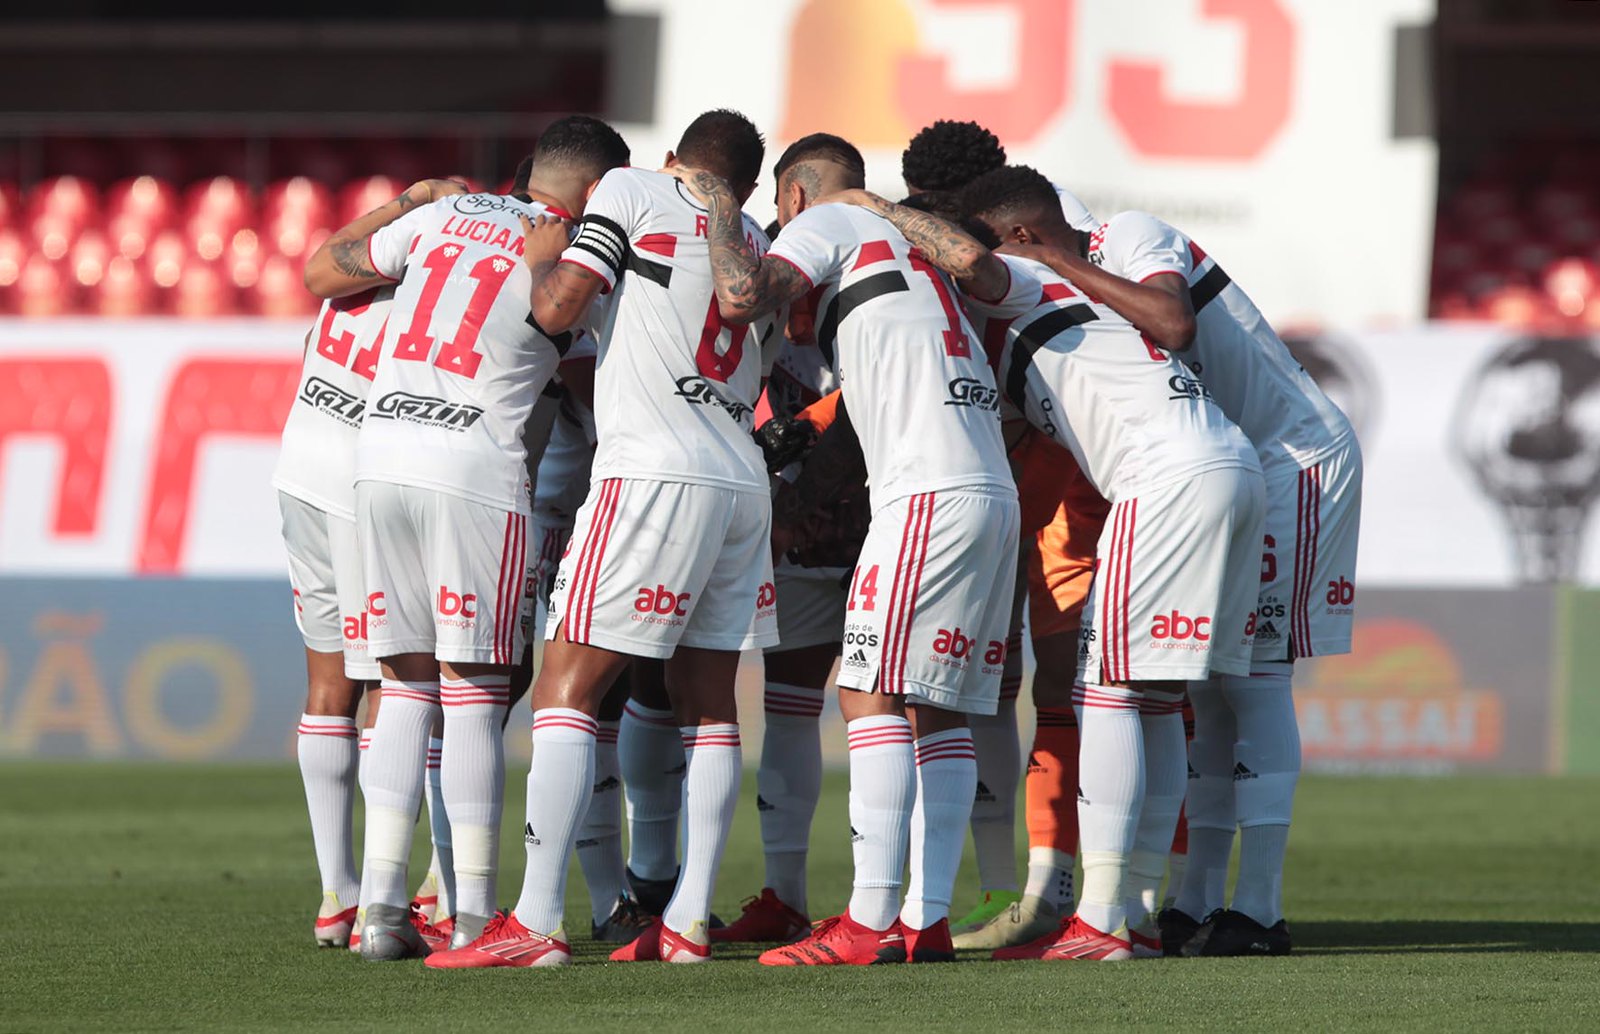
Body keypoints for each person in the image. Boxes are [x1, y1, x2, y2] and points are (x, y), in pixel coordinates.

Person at [825, 167, 1264, 960]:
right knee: (1157, 698)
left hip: (1160, 475)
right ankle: (1132, 911)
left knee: (1106, 690)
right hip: (1230, 464)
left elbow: (975, 265)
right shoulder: (1084, 299)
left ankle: (1099, 922)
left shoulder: (1022, 275)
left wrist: (874, 208)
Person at [426, 109, 778, 969]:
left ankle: (536, 922)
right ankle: (689, 920)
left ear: (669, 163)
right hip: (739, 478)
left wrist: (547, 254)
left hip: (650, 472)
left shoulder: (626, 190)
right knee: (710, 708)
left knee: (566, 688)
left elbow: (555, 311)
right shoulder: (755, 237)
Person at [672, 132, 1021, 966]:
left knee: (866, 697)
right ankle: (924, 919)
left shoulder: (824, 221)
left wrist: (720, 204)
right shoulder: (915, 239)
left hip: (924, 493)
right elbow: (993, 277)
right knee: (937, 708)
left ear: (792, 197)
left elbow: (740, 296)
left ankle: (867, 923)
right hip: (989, 489)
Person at [1002, 184, 1363, 957]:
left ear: (1028, 232)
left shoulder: (1128, 234)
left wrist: (1058, 261)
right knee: (1198, 683)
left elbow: (1171, 318)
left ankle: (1259, 911)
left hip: (1292, 456)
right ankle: (1194, 900)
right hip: (1242, 464)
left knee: (1254, 679)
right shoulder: (1077, 274)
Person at [303, 114, 631, 961]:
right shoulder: (574, 260)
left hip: (377, 457)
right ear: (595, 195)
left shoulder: (443, 215)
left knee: (404, 686)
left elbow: (324, 271)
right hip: (475, 469)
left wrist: (406, 202)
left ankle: (380, 909)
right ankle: (478, 914)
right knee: (476, 696)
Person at [273, 270, 398, 949]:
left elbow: (304, 349)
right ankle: (381, 898)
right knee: (386, 681)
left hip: (298, 467)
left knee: (327, 685)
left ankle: (335, 894)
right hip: (359, 481)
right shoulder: (434, 288)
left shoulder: (344, 281)